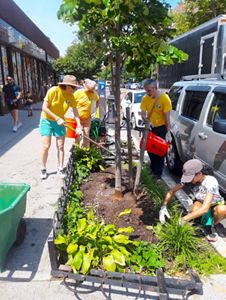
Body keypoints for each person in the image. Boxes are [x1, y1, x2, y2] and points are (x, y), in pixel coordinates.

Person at [159, 159, 226, 242]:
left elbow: (205, 208)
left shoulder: (211, 182)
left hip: (214, 204)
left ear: (199, 174)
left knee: (222, 210)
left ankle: (212, 224)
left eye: (191, 178)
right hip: (201, 202)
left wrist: (183, 219)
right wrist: (163, 206)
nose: (189, 180)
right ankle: (202, 222)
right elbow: (171, 191)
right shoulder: (188, 180)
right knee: (195, 209)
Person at [39, 75, 82, 180]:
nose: (75, 89)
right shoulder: (53, 91)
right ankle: (43, 168)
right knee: (46, 146)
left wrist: (79, 125)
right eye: (73, 87)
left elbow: (76, 112)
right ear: (67, 85)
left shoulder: (71, 96)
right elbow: (44, 107)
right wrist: (56, 118)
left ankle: (60, 168)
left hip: (60, 122)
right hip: (47, 120)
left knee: (60, 146)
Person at [140, 78, 172, 180]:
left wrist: (168, 132)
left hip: (161, 128)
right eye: (146, 90)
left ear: (155, 88)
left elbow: (167, 117)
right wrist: (145, 120)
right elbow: (143, 113)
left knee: (159, 151)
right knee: (150, 149)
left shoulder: (164, 98)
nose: (147, 93)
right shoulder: (145, 98)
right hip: (150, 128)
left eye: (149, 90)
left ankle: (158, 173)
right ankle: (152, 169)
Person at [74, 79, 99, 148]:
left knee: (86, 135)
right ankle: (76, 149)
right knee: (77, 134)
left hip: (87, 118)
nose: (90, 91)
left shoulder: (94, 94)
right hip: (77, 118)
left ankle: (86, 151)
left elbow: (97, 101)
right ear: (85, 87)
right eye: (89, 89)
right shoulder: (78, 93)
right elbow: (71, 102)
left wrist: (94, 112)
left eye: (92, 90)